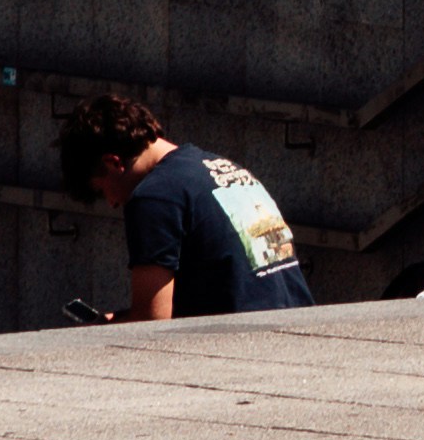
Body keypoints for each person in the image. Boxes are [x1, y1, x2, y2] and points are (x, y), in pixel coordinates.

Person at [54, 87, 314, 319]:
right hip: (300, 330)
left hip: (246, 348)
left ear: (114, 163)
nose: (112, 203)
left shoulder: (153, 197)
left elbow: (151, 321)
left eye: (103, 191)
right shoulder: (221, 167)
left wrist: (102, 327)